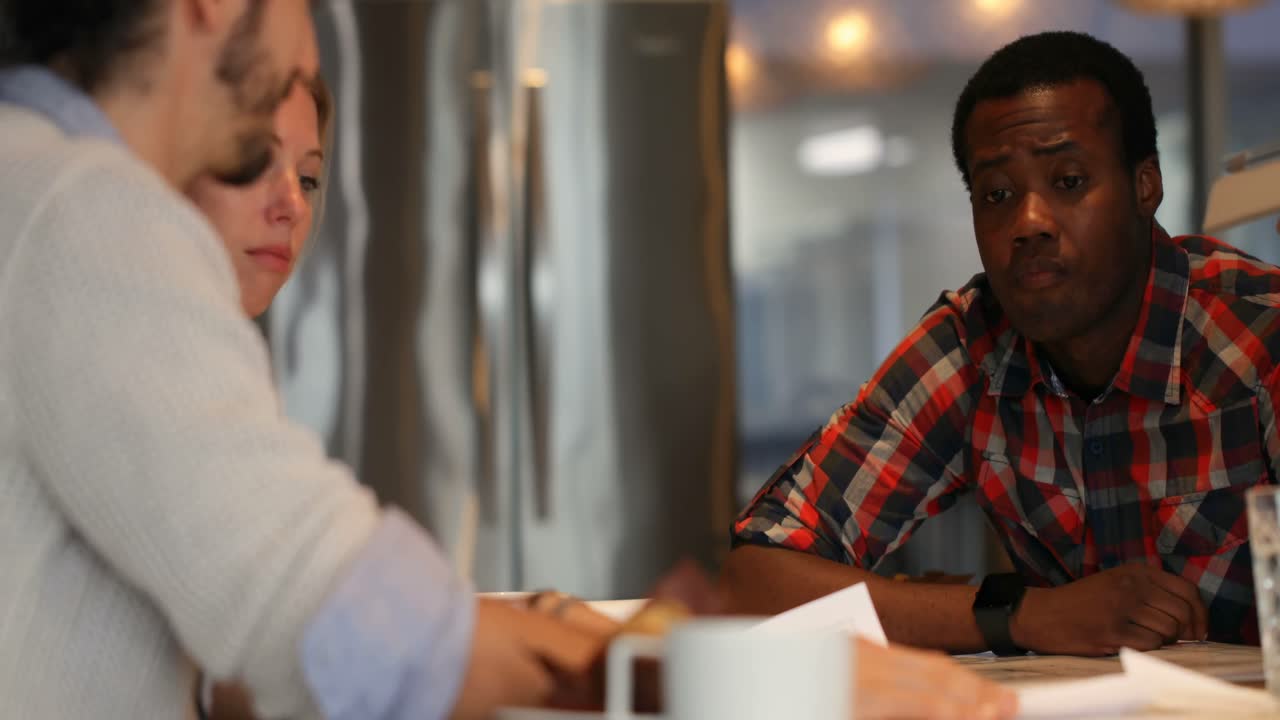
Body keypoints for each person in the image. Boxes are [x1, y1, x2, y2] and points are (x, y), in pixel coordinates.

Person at [0, 2, 1017, 718]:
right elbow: (348, 628)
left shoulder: (37, 186)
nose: (307, 40)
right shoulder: (83, 207)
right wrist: (763, 687)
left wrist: (539, 635)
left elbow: (246, 628)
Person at [728, 30, 1273, 657]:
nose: (1029, 222)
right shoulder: (970, 346)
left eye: (1068, 181)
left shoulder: (1257, 335)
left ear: (1145, 186)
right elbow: (755, 578)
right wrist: (1021, 615)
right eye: (997, 195)